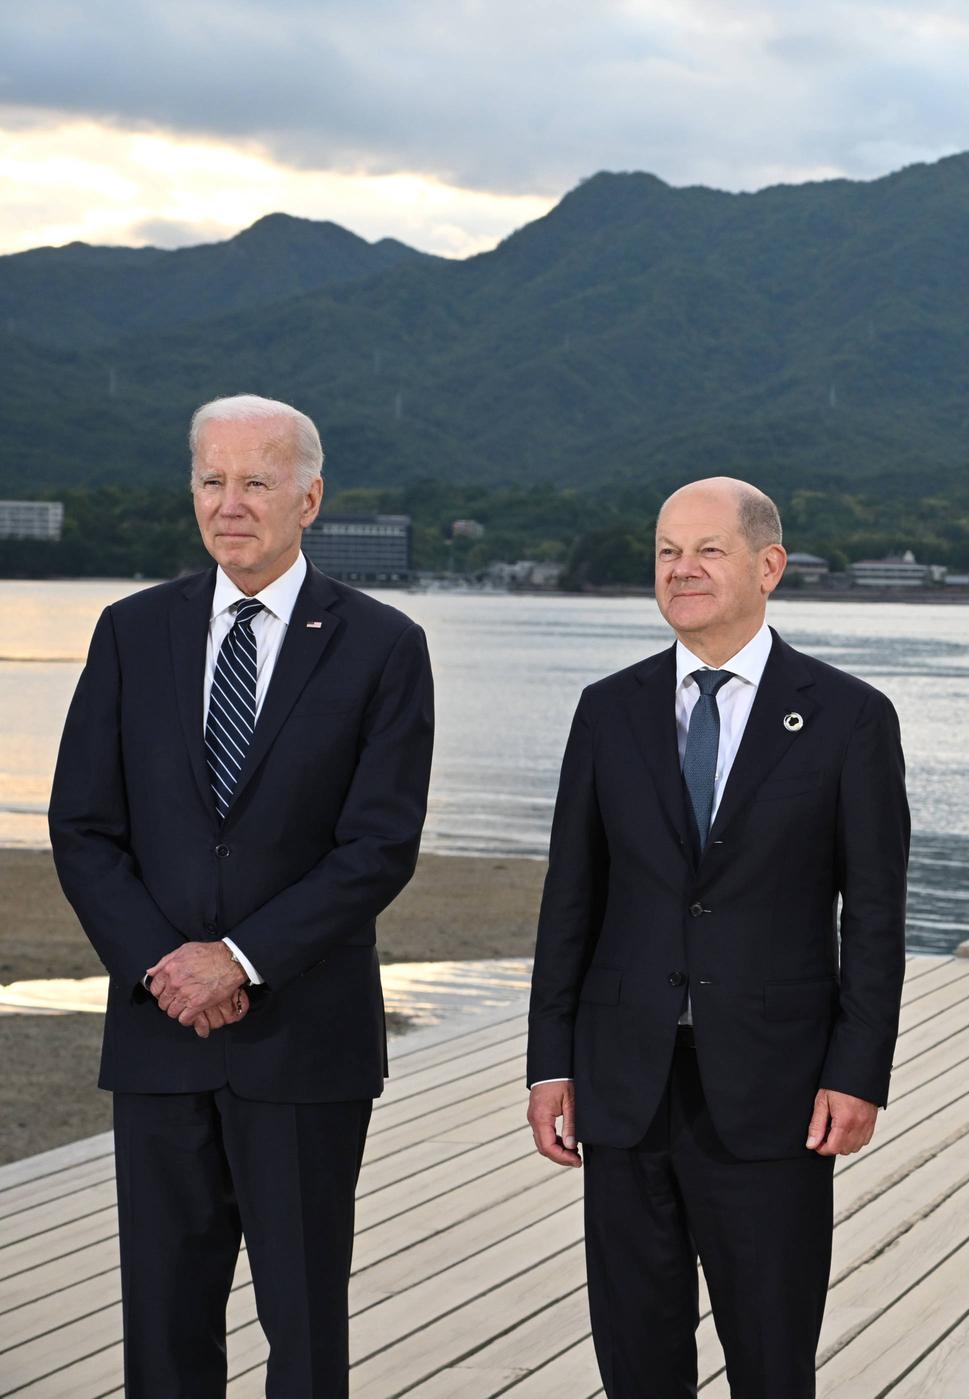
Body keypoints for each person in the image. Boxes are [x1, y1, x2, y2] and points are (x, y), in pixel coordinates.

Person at [48, 394, 435, 1395]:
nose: (230, 503)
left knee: (305, 1332)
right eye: (211, 480)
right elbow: (84, 826)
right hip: (158, 1034)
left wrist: (241, 960)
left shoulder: (382, 646)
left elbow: (377, 846)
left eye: (255, 481)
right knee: (163, 1332)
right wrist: (162, 966)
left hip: (305, 1043)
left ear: (309, 498)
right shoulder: (132, 632)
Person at [525, 477, 909, 1397]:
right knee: (636, 1352)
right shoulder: (607, 710)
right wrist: (549, 1063)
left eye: (707, 550)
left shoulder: (850, 717)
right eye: (666, 552)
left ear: (768, 566)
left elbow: (877, 918)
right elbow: (570, 899)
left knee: (772, 1356)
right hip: (624, 1083)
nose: (682, 569)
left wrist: (857, 1071)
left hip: (774, 1087)